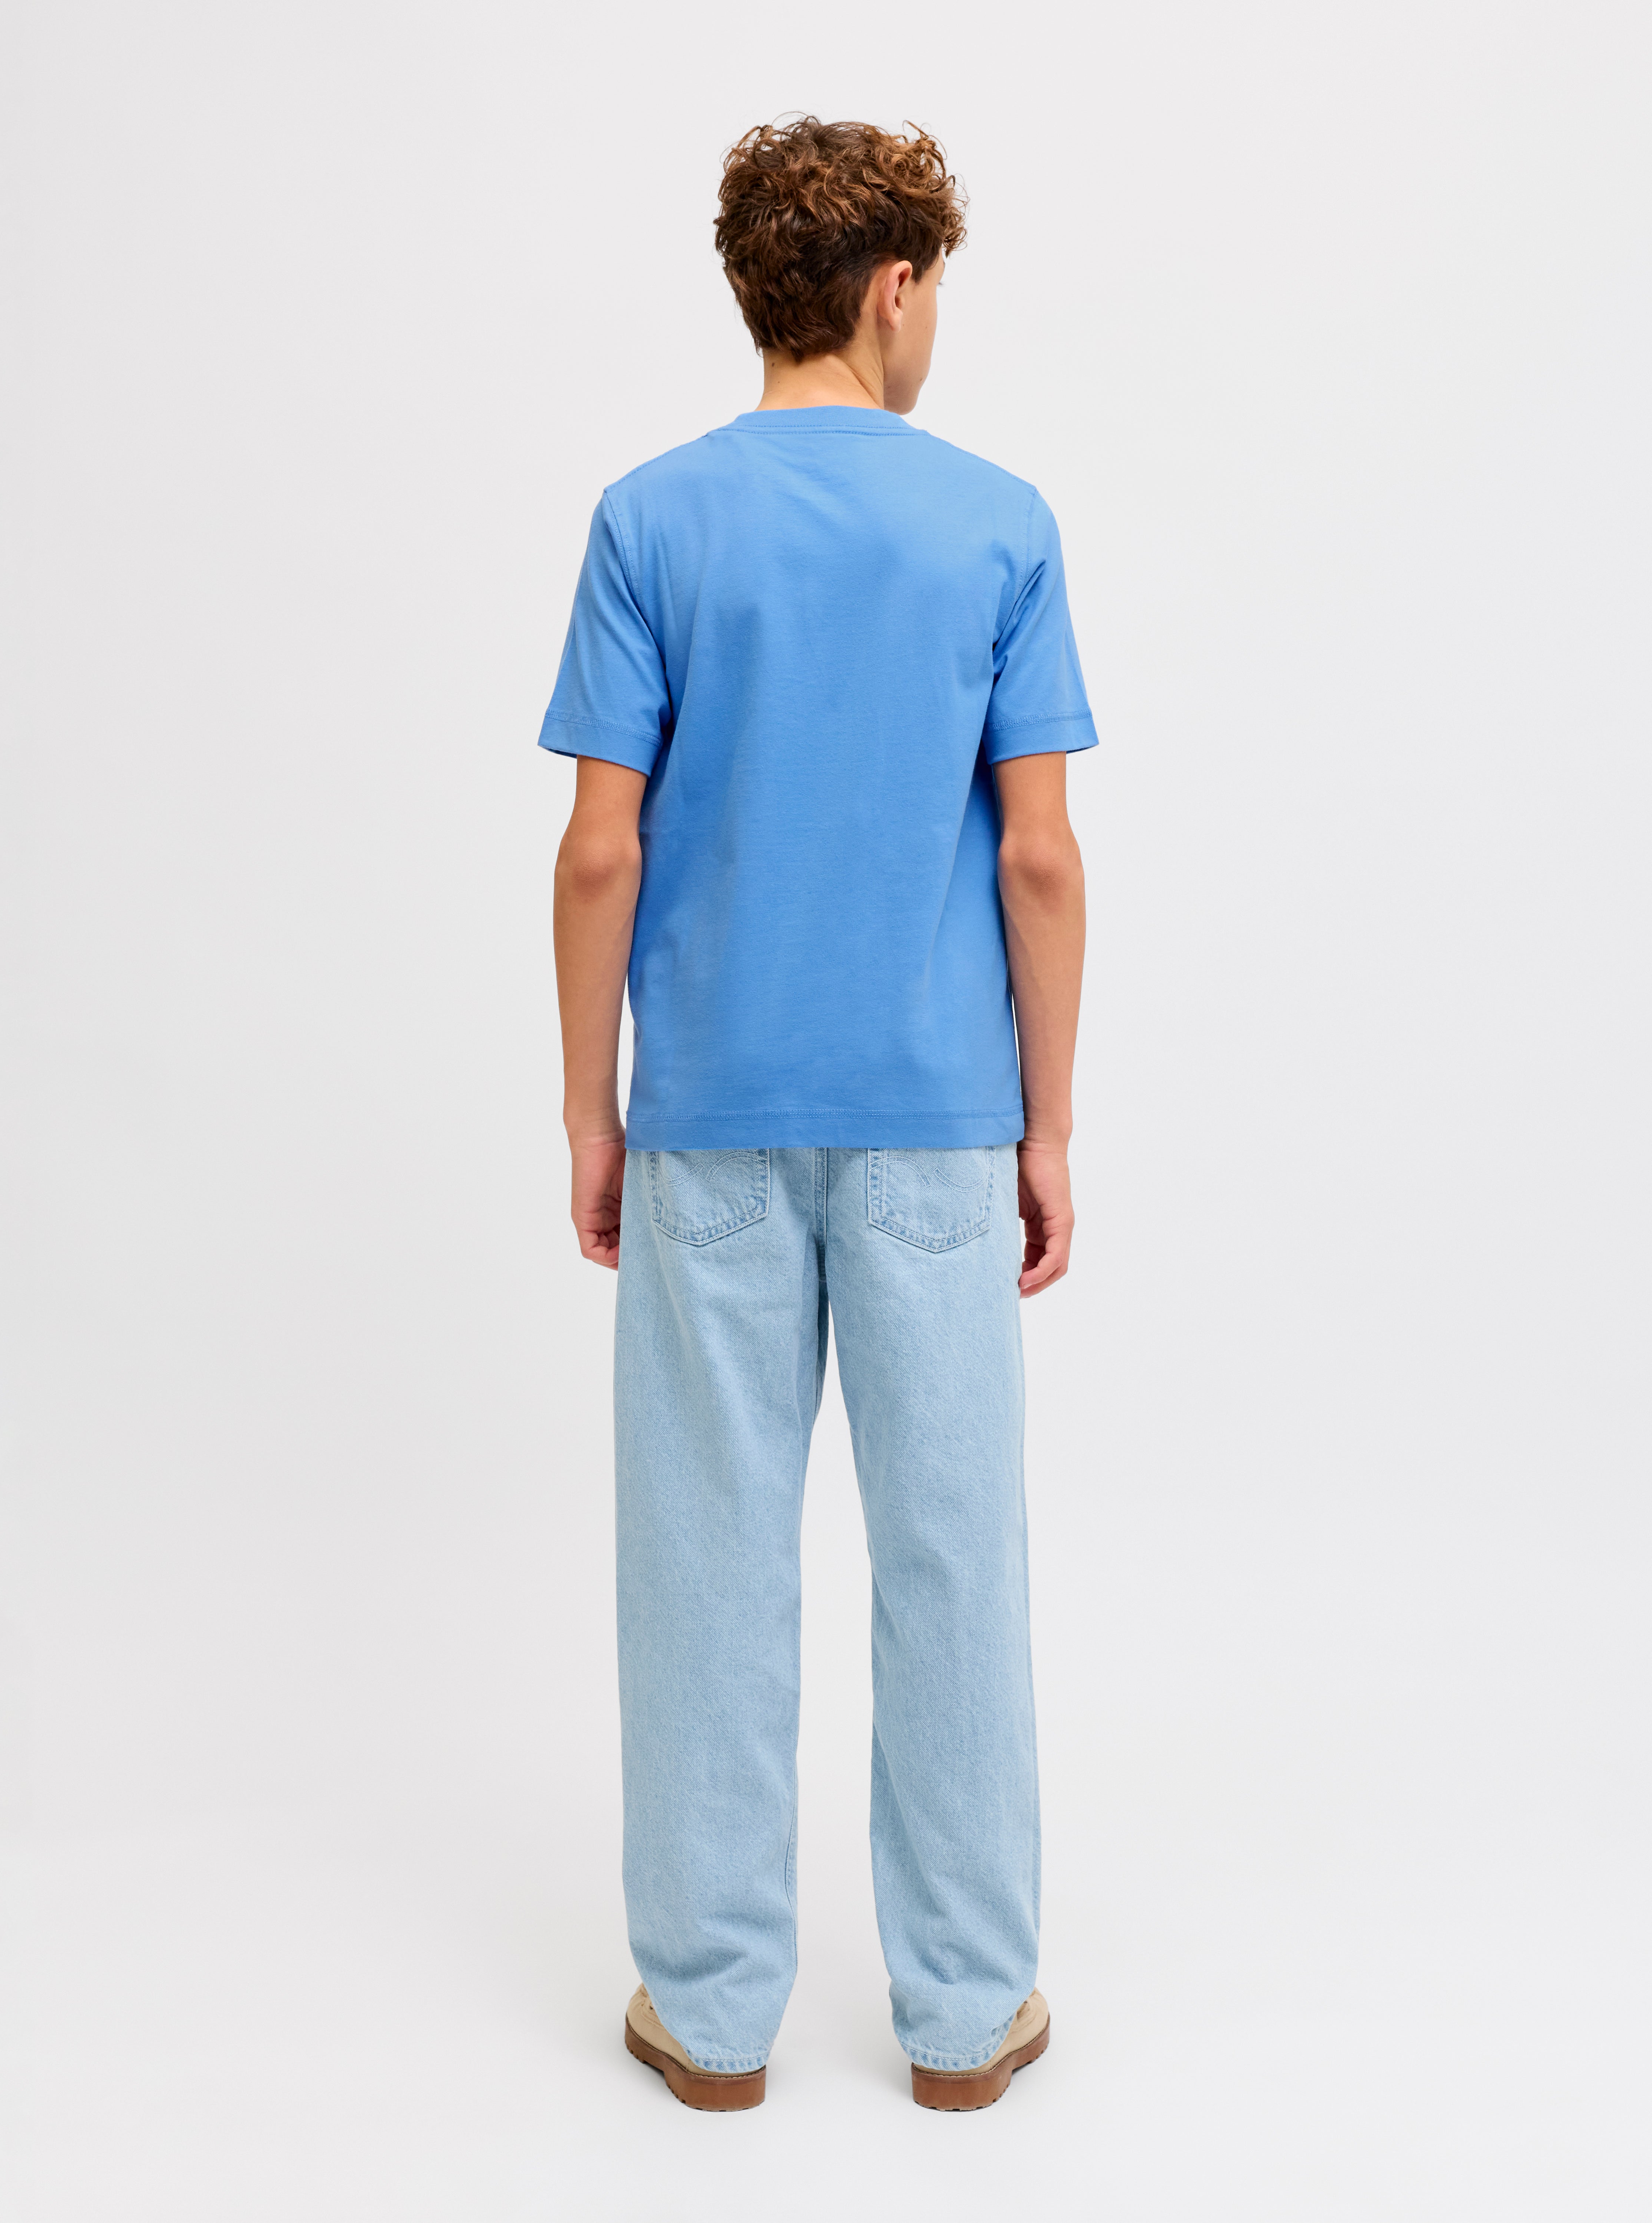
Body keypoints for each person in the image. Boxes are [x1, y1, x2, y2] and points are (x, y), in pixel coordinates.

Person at [542, 115, 1094, 2112]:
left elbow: (599, 852)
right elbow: (1038, 857)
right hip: (940, 1122)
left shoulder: (650, 519)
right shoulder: (1000, 525)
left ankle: (707, 2012)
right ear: (895, 287)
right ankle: (968, 2010)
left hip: (709, 1117)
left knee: (705, 1555)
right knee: (952, 1553)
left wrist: (593, 1109)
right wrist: (1048, 1125)